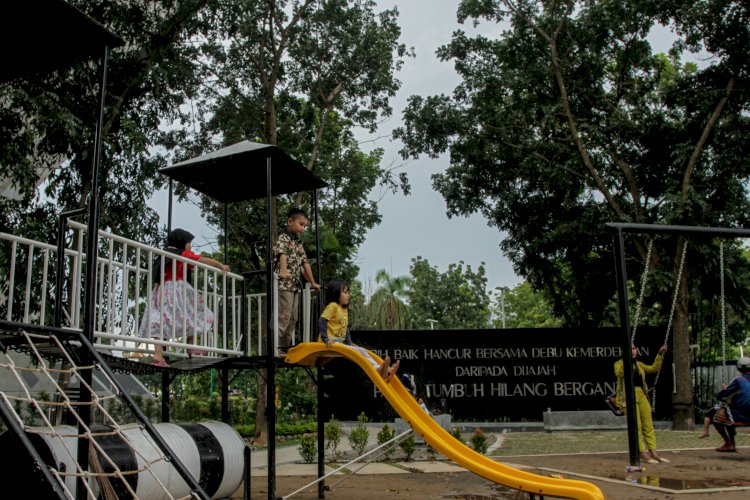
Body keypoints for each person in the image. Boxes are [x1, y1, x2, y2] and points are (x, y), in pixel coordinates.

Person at [139, 228, 230, 367]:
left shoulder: (164, 255)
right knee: (194, 313)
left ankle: (158, 354)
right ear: (182, 243)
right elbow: (202, 260)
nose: (190, 246)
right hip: (178, 289)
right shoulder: (182, 255)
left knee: (158, 319)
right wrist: (219, 265)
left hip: (161, 290)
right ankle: (191, 345)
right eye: (189, 243)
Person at [318, 279, 399, 381]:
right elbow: (322, 320)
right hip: (329, 344)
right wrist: (325, 339)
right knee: (358, 352)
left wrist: (350, 343)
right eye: (345, 292)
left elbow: (345, 328)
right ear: (335, 292)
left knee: (362, 350)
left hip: (338, 344)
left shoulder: (344, 310)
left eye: (348, 292)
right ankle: (378, 369)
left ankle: (386, 371)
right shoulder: (333, 306)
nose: (348, 295)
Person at [273, 207, 321, 353]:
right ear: (290, 221)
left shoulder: (298, 244)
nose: (303, 228)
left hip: (294, 286)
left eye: (305, 225)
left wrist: (312, 283)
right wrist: (282, 271)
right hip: (283, 285)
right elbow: (282, 255)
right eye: (301, 224)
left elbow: (305, 264)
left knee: (293, 318)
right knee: (284, 317)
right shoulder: (283, 238)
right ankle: (274, 347)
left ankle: (284, 348)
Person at [614, 343, 670, 464]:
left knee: (648, 425)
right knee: (636, 426)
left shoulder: (639, 365)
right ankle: (642, 452)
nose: (633, 351)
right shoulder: (619, 364)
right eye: (629, 349)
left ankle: (653, 452)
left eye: (634, 348)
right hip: (628, 396)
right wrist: (625, 359)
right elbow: (619, 373)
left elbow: (654, 368)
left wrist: (660, 354)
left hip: (641, 394)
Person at [712, 357, 750, 452]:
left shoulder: (739, 381)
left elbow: (722, 396)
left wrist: (725, 389)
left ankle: (729, 443)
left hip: (743, 415)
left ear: (738, 368)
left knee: (718, 418)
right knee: (729, 413)